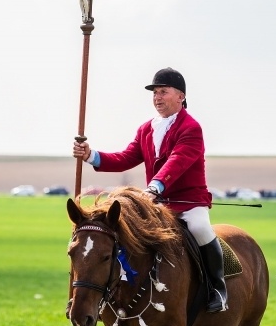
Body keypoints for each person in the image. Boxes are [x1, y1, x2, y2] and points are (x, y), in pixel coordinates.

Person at [72, 68, 227, 313]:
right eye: (154, 93)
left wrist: (155, 186)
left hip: (188, 203)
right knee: (125, 237)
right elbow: (125, 157)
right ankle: (114, 293)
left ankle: (218, 288)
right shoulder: (146, 129)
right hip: (157, 204)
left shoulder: (191, 128)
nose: (157, 97)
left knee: (200, 228)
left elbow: (177, 161)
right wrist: (91, 155)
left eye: (163, 92)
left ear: (180, 96)